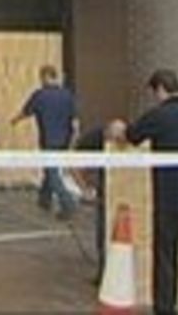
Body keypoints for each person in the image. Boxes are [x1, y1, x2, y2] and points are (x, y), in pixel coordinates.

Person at [109, 69, 178, 315]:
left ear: (159, 90)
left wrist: (118, 131)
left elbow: (131, 136)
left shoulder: (160, 115)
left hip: (171, 200)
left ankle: (166, 309)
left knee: (166, 259)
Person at [10, 65, 79, 221]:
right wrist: (73, 142)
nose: (40, 81)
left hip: (49, 140)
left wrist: (14, 120)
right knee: (51, 171)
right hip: (64, 141)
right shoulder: (68, 95)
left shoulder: (40, 95)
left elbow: (25, 112)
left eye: (41, 77)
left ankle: (67, 203)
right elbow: (75, 123)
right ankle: (44, 199)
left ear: (45, 77)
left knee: (52, 173)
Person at [69, 122, 109, 285]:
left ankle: (104, 272)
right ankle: (103, 270)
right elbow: (74, 165)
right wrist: (85, 189)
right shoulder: (93, 139)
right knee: (103, 231)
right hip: (106, 190)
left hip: (112, 189)